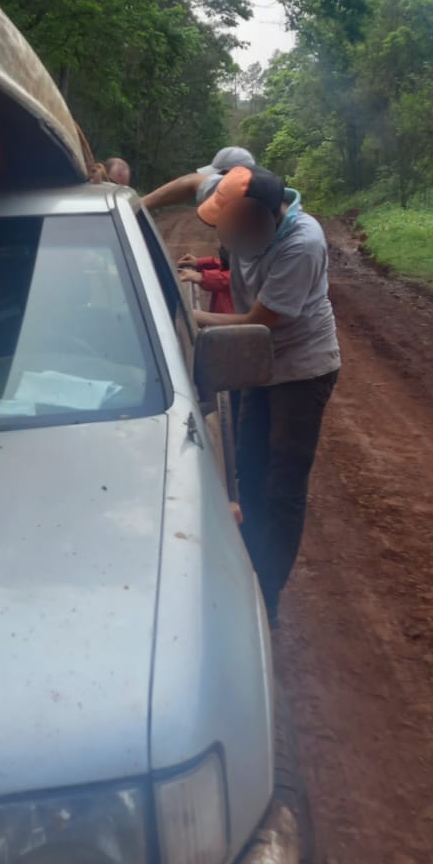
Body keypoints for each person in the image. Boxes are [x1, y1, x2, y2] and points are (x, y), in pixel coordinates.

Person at [143, 154, 340, 624]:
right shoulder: (235, 189)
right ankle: (246, 565)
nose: (226, 237)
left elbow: (258, 323)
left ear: (270, 216)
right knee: (246, 471)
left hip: (300, 367)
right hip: (257, 362)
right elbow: (190, 179)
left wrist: (185, 315)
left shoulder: (302, 245)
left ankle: (265, 597)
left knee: (282, 484)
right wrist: (137, 206)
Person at [177, 249, 234, 314]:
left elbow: (242, 277)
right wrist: (202, 263)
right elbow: (233, 266)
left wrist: (202, 277)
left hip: (235, 319)